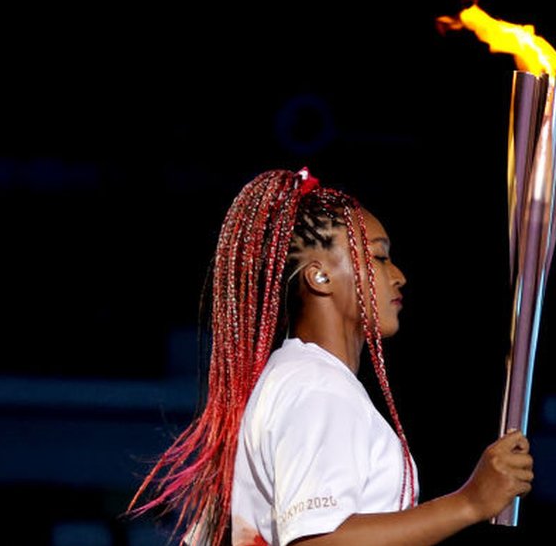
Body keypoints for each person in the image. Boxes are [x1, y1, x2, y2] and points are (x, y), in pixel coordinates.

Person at [127, 168, 533, 546]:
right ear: (320, 276)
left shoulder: (299, 379)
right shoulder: (316, 386)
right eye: (378, 256)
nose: (398, 275)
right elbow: (317, 541)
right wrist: (469, 503)